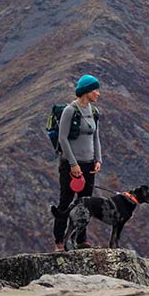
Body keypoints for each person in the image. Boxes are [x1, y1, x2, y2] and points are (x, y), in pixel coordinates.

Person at [52, 74, 103, 250]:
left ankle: (81, 240)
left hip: (89, 164)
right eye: (95, 89)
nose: (98, 93)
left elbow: (96, 137)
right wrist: (73, 164)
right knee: (66, 201)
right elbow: (63, 139)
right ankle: (59, 240)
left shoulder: (94, 112)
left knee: (85, 203)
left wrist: (98, 159)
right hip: (70, 164)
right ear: (86, 91)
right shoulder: (70, 111)